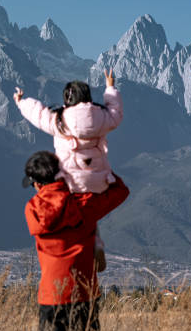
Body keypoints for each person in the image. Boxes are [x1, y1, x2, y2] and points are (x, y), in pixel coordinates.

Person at [23, 150, 129, 331]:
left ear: (37, 183)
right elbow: (121, 191)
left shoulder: (32, 209)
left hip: (51, 296)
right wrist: (99, 169)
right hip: (84, 292)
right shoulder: (84, 204)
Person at [14, 70, 123, 271]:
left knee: (72, 217)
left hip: (70, 181)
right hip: (99, 181)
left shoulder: (60, 120)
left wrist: (21, 102)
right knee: (90, 215)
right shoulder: (103, 118)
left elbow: (38, 114)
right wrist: (110, 87)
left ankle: (79, 247)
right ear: (89, 97)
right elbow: (116, 111)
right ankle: (96, 245)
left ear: (67, 99)